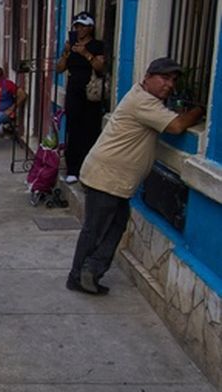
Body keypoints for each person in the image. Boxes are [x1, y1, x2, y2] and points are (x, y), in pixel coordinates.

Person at [67, 57, 203, 294]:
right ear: (148, 77)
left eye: (173, 80)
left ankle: (91, 270)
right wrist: (200, 110)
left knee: (117, 224)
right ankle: (78, 276)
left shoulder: (147, 99)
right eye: (164, 78)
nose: (169, 85)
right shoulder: (143, 102)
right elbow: (177, 126)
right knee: (96, 228)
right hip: (106, 176)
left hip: (115, 179)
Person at [56, 11, 106, 184]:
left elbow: (100, 67)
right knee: (73, 129)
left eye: (83, 26)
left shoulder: (96, 46)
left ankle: (87, 168)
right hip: (74, 92)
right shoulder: (70, 45)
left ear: (90, 28)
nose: (79, 29)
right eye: (77, 26)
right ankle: (73, 169)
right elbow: (59, 68)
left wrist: (86, 53)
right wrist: (66, 53)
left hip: (91, 94)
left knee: (90, 130)